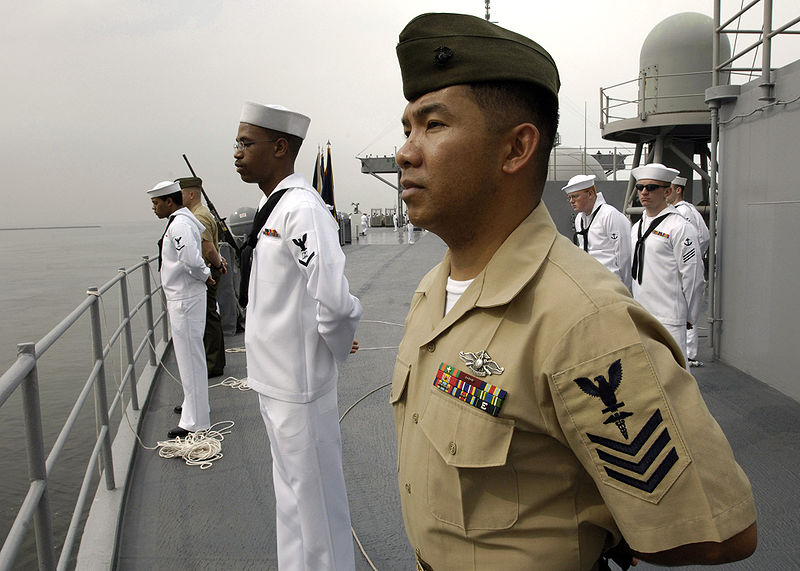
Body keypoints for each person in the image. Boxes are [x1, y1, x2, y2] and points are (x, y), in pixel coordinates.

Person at [391, 12, 756, 571]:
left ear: (515, 149)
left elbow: (715, 532)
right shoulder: (432, 292)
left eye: (434, 125)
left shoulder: (583, 322)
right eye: (407, 128)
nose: (406, 152)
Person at [233, 101, 362, 570]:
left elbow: (333, 301)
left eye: (247, 143)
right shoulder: (277, 208)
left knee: (318, 509)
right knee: (290, 504)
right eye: (238, 143)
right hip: (274, 382)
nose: (237, 153)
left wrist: (333, 349)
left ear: (280, 147)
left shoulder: (302, 210)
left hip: (300, 386)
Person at [147, 180, 212, 439]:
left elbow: (192, 260)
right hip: (183, 297)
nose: (154, 208)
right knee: (188, 359)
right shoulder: (180, 222)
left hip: (185, 299)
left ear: (169, 202)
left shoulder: (180, 225)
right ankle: (194, 406)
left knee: (190, 359)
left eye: (156, 203)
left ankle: (195, 422)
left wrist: (206, 274)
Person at [630, 163, 706, 361]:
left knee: (675, 378)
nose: (644, 192)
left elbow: (693, 276)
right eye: (640, 187)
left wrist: (689, 316)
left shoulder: (679, 227)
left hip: (669, 319)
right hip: (642, 316)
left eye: (652, 187)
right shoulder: (637, 227)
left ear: (668, 191)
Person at [177, 177, 227, 378]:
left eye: (180, 193)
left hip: (207, 272)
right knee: (210, 315)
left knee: (208, 317)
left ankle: (212, 363)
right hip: (208, 270)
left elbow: (207, 248)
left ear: (191, 194)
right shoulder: (198, 214)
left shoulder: (199, 216)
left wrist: (217, 265)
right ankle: (214, 360)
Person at [668, 175, 710, 367]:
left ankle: (690, 353)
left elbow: (699, 238)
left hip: (685, 265)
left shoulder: (683, 212)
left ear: (678, 190)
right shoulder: (683, 211)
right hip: (682, 265)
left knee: (687, 307)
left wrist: (692, 259)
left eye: (670, 188)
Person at [564, 174, 633, 289]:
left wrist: (626, 288)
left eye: (575, 196)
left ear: (590, 194)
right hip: (590, 283)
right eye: (569, 197)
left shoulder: (610, 215)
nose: (571, 201)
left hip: (611, 284)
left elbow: (625, 255)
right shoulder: (579, 219)